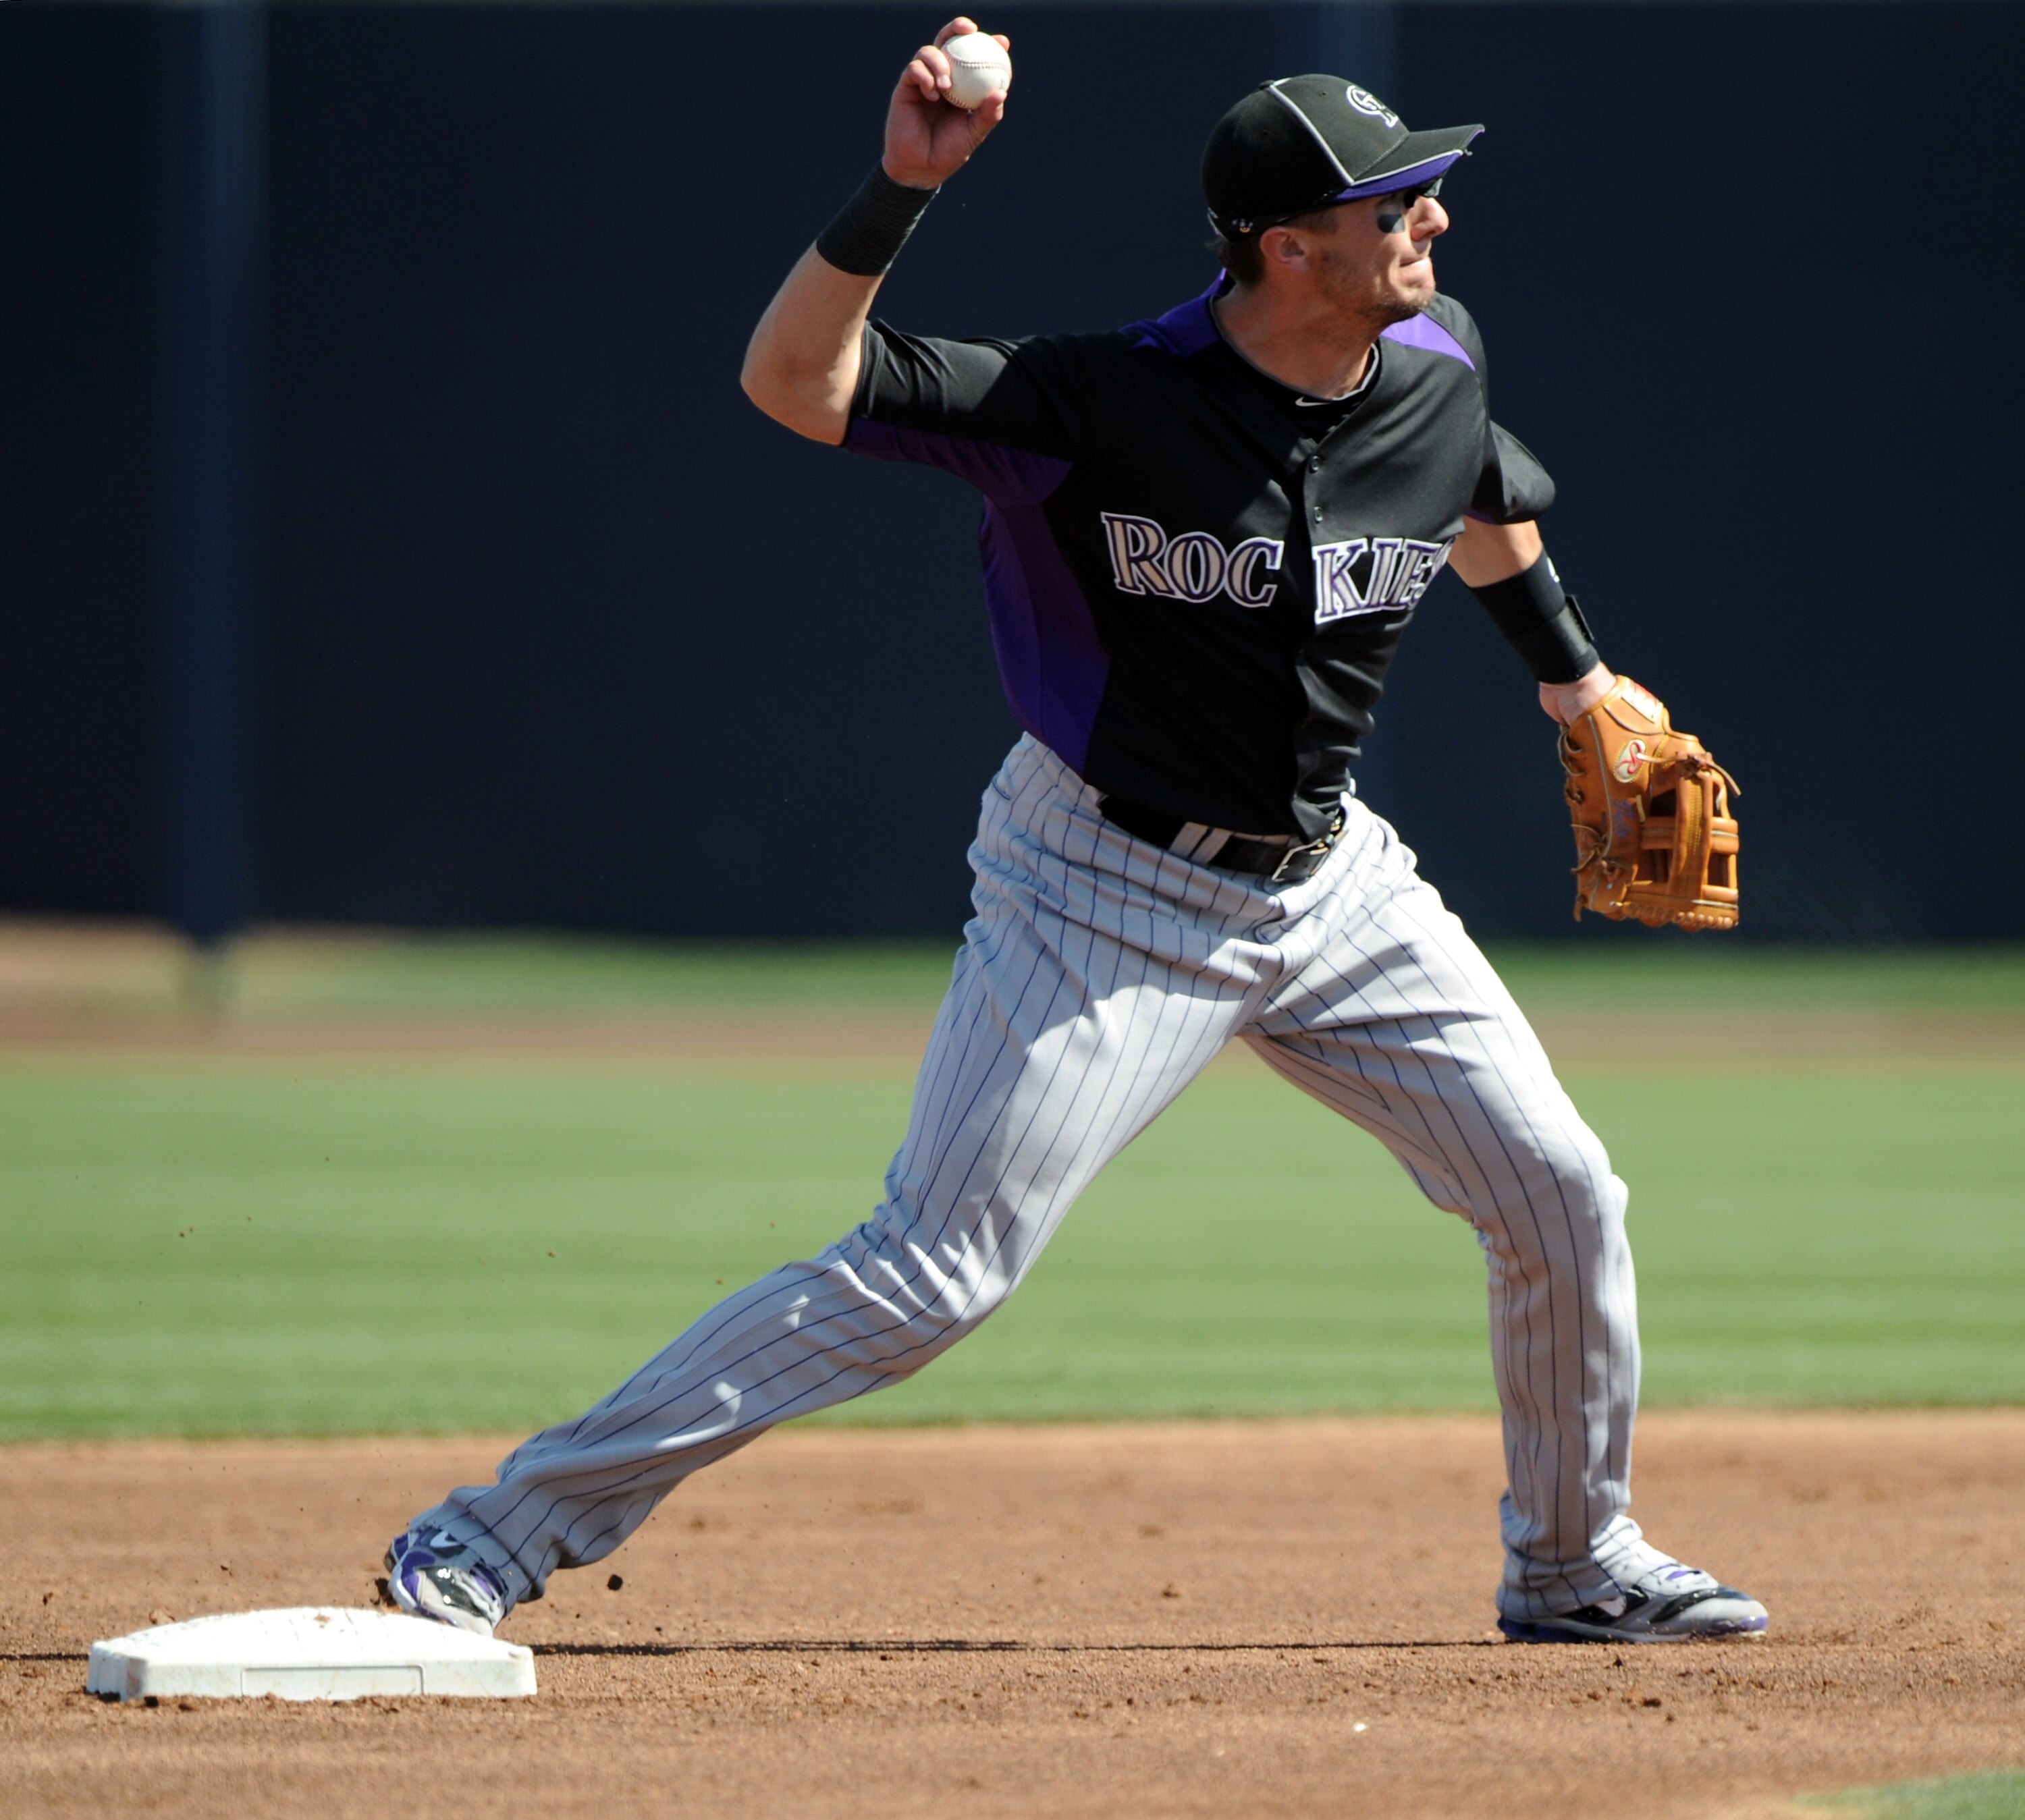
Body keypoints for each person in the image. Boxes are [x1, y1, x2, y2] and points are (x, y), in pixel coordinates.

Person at [384, 20, 1767, 1647]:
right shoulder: (1095, 405)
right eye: (1397, 201)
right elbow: (793, 383)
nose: (1434, 222)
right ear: (1287, 243)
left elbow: (1482, 493)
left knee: (1559, 1187)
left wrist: (1577, 681)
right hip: (1100, 886)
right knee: (932, 1274)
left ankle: (1571, 1560)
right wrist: (902, 188)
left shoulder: (1435, 359)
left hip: (1333, 880)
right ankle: (502, 1525)